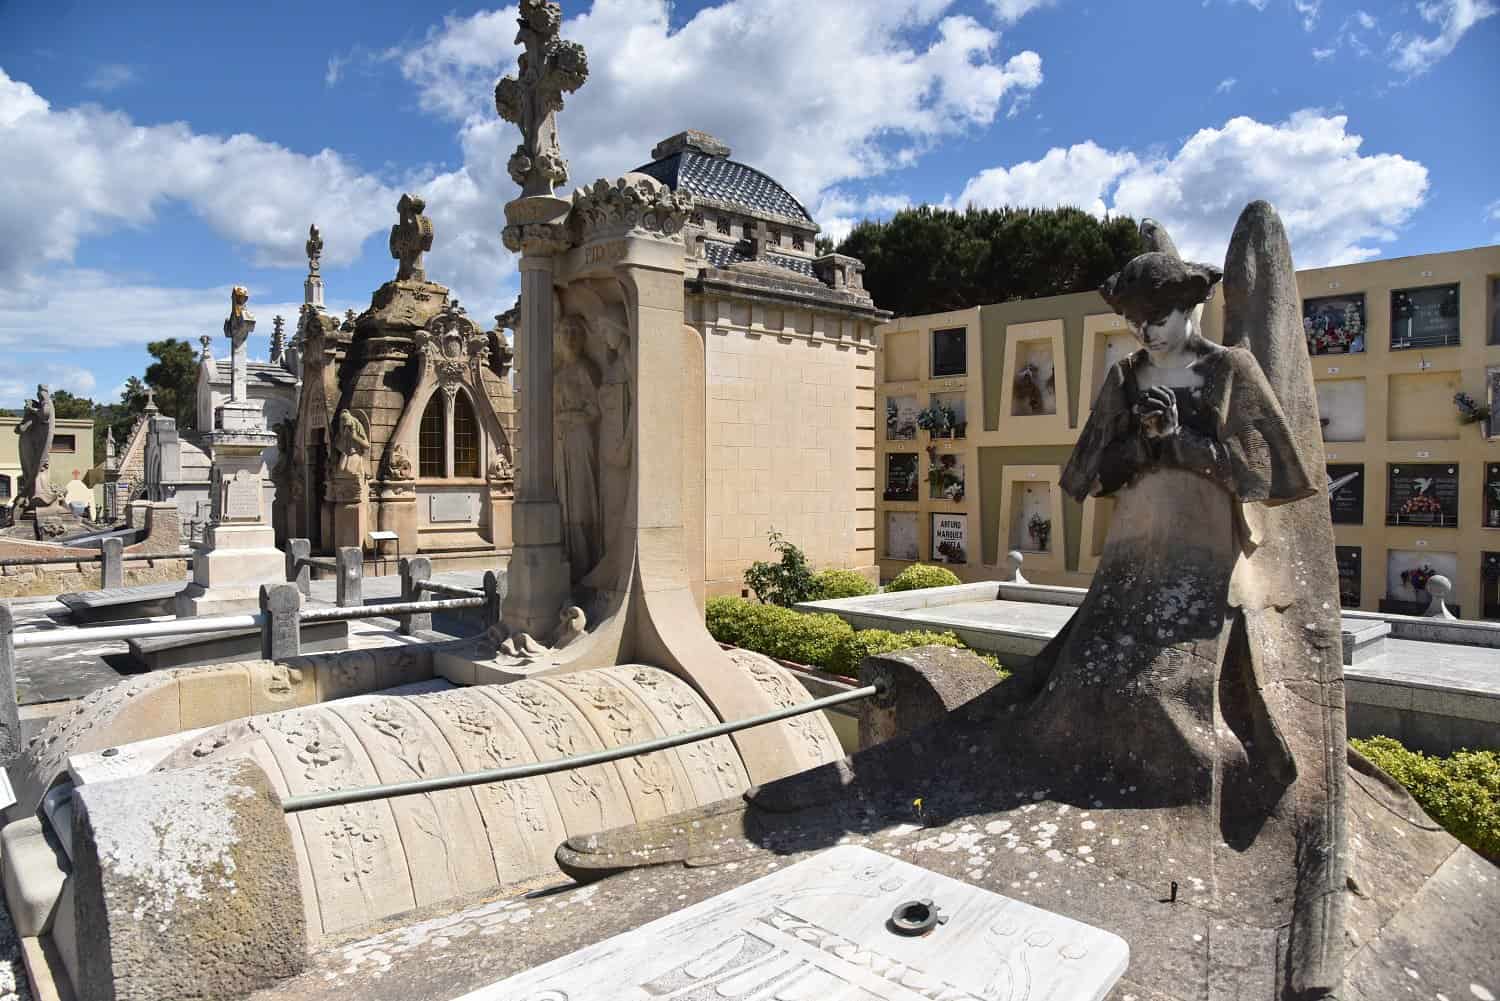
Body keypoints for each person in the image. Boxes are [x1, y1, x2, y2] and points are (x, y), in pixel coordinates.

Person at [1024, 250, 1316, 799]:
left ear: (1189, 308)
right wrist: (1140, 441)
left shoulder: (1232, 369)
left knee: (1172, 689)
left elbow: (1264, 478)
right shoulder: (1126, 376)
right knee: (1083, 681)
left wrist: (1182, 440)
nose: (1145, 333)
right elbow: (1092, 475)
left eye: (1156, 319)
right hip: (1134, 548)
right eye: (1134, 323)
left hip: (1206, 551)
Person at [554, 316, 602, 582]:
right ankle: (570, 558)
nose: (570, 337)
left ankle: (586, 561)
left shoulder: (586, 369)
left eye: (575, 332)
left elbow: (595, 411)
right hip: (562, 440)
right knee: (566, 500)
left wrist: (571, 417)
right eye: (565, 332)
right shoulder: (559, 374)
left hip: (580, 438)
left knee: (582, 500)